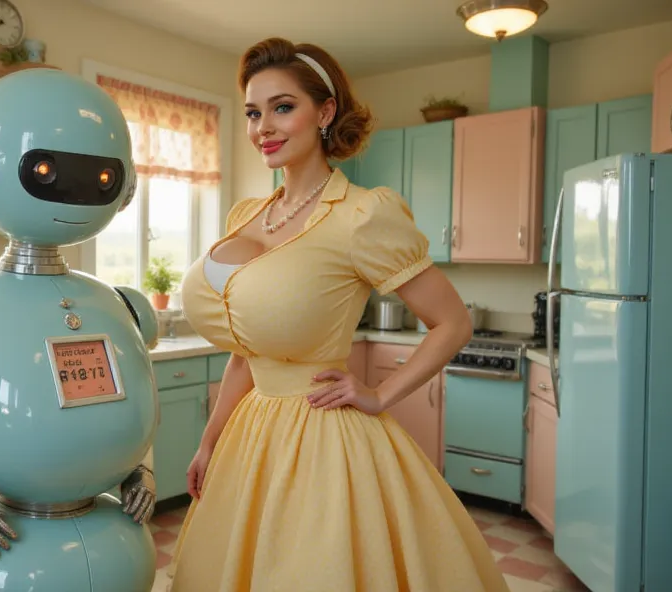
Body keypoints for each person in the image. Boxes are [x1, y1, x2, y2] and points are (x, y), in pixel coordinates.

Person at [165, 37, 511, 592]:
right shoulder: (247, 213)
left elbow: (453, 323)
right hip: (249, 437)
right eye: (254, 112)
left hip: (321, 437)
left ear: (324, 112)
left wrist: (379, 393)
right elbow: (247, 355)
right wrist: (209, 441)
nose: (263, 128)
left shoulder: (362, 215)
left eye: (283, 107)